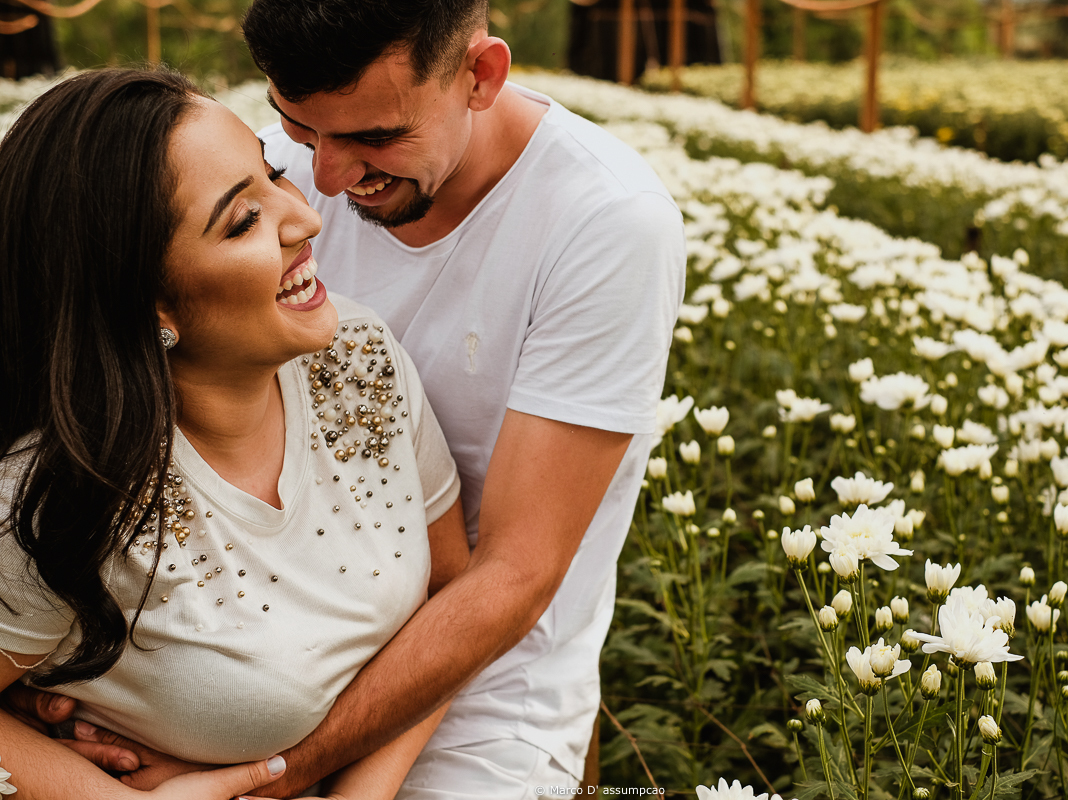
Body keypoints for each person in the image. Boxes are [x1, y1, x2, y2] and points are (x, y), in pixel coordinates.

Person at [18, 1, 685, 795]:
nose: (322, 186)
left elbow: (509, 575)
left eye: (375, 138)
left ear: (481, 76)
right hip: (219, 675)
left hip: (477, 689)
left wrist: (272, 772)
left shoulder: (602, 224)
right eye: (294, 131)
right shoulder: (262, 182)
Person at [0, 68, 470, 799]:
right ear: (145, 303)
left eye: (273, 174)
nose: (306, 219)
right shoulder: (66, 491)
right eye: (243, 220)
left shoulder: (360, 357)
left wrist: (357, 792)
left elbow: (453, 599)